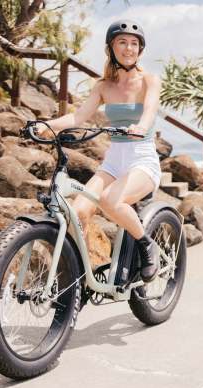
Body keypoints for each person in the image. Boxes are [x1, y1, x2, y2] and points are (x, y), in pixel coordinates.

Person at [37, 20, 162, 282]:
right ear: (111, 48)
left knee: (109, 201)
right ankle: (83, 279)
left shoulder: (149, 80)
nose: (129, 48)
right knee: (78, 212)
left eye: (134, 43)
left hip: (142, 159)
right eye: (122, 42)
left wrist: (140, 126)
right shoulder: (103, 86)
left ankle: (146, 245)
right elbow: (78, 117)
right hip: (113, 161)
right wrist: (47, 125)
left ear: (140, 49)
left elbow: (150, 110)